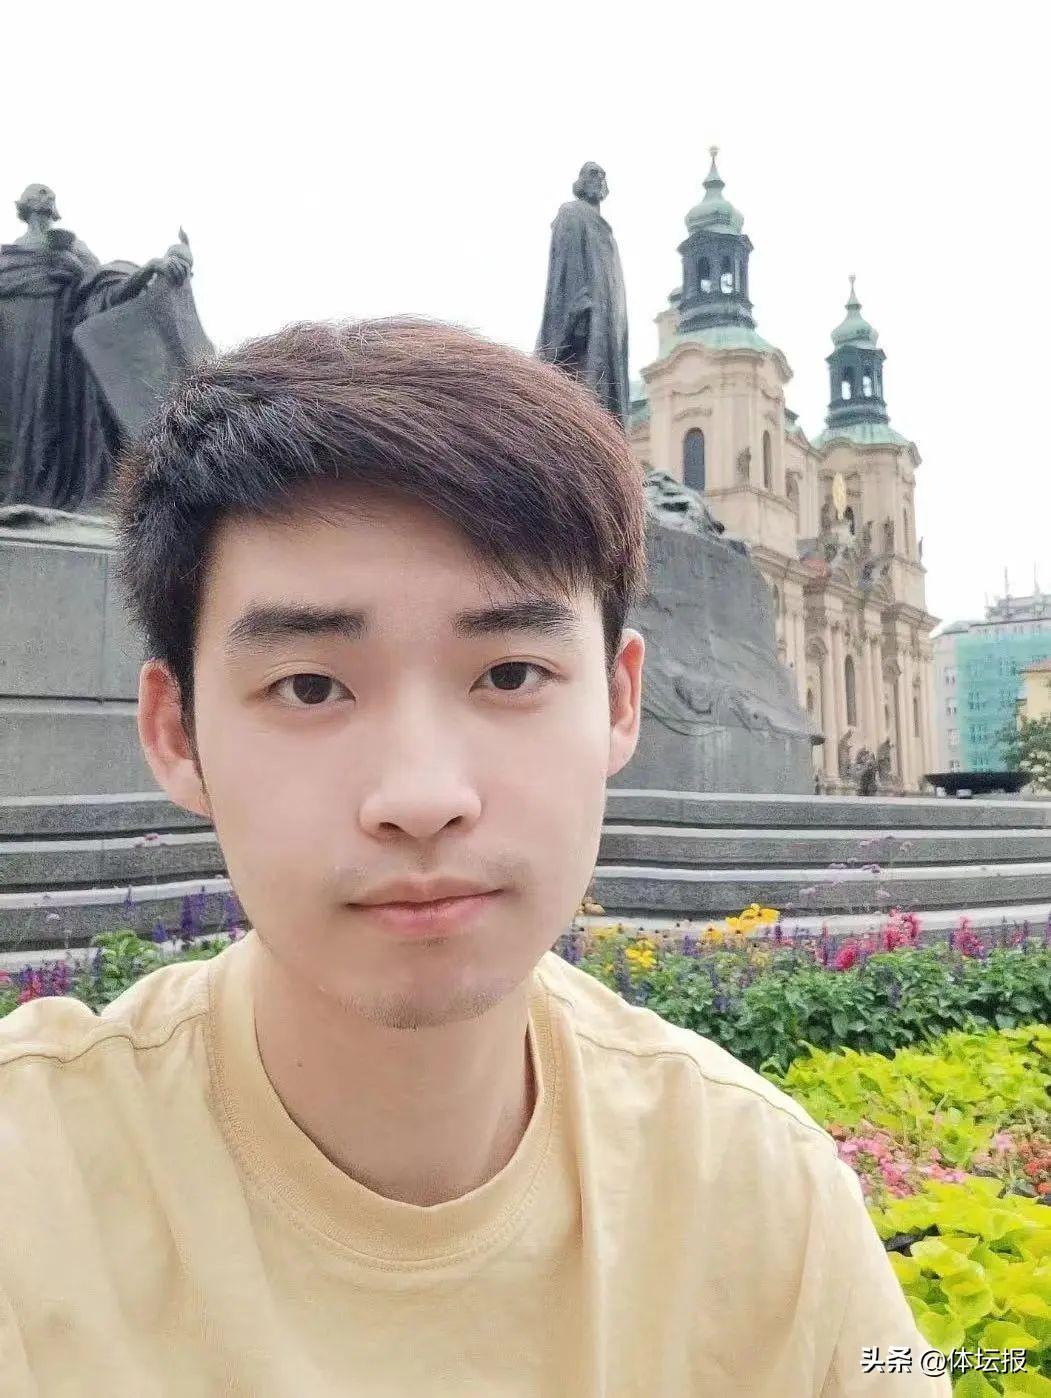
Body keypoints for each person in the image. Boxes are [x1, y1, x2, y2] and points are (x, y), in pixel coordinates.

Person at [0, 318, 949, 1395]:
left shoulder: (761, 1192)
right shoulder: (31, 1187)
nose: (422, 798)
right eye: (310, 686)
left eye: (508, 675)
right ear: (175, 731)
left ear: (620, 702)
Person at [0, 183, 193, 510]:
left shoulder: (74, 248)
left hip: (55, 347)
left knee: (45, 417)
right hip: (12, 341)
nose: (45, 196)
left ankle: (41, 498)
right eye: (39, 192)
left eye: (48, 193)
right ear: (24, 204)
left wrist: (150, 269)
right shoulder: (8, 256)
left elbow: (101, 290)